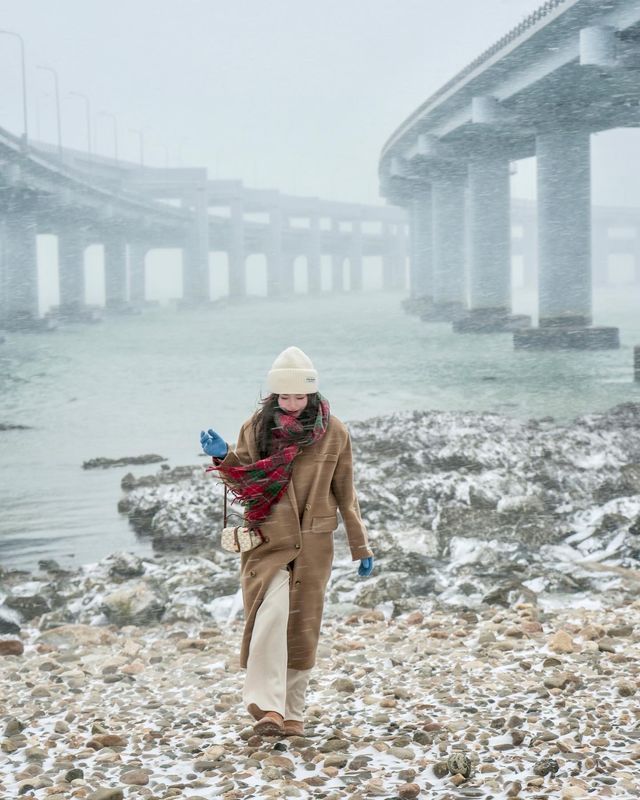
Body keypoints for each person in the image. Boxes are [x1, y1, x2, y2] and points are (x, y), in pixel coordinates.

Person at [200, 346, 374, 737]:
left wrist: (360, 545)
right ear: (273, 394)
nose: (292, 403)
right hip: (267, 540)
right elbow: (242, 479)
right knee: (270, 616)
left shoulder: (335, 432)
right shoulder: (256, 428)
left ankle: (292, 714)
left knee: (302, 629)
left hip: (314, 543)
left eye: (299, 396)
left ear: (311, 394)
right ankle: (267, 709)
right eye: (284, 395)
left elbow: (346, 493)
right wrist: (223, 456)